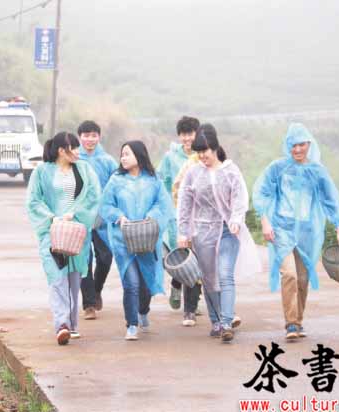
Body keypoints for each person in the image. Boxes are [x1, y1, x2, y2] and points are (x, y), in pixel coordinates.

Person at [252, 123, 339, 340]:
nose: (297, 149)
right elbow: (262, 193)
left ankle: (298, 320)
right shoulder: (278, 168)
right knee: (290, 274)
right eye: (293, 145)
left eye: (301, 145)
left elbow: (330, 200)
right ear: (287, 146)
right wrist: (265, 222)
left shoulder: (317, 172)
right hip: (282, 229)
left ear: (309, 145)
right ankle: (291, 324)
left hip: (307, 232)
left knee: (303, 279)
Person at [177, 124, 260, 343]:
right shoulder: (193, 173)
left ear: (214, 147)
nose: (201, 156)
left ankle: (226, 323)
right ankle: (215, 321)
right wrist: (183, 232)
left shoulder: (230, 171)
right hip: (203, 231)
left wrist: (236, 219)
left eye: (204, 151)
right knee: (209, 278)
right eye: (198, 152)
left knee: (225, 274)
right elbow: (185, 203)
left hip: (227, 230)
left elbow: (240, 197)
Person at [26, 132, 101, 346]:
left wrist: (74, 213)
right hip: (51, 232)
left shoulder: (84, 169)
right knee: (57, 277)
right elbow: (33, 200)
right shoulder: (42, 171)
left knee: (74, 279)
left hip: (76, 230)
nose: (77, 151)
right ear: (61, 150)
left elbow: (93, 196)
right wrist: (52, 218)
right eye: (73, 147)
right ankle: (62, 324)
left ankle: (72, 324)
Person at [100, 140, 174, 340]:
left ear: (139, 156)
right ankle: (131, 324)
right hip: (123, 240)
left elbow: (163, 204)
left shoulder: (153, 180)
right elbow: (105, 205)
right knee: (131, 283)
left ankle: (143, 310)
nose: (123, 158)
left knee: (145, 285)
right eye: (122, 154)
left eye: (127, 154)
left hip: (147, 241)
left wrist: (152, 215)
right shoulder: (116, 180)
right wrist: (119, 216)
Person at [157, 116, 201, 314]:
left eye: (190, 133)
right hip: (176, 214)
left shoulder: (203, 154)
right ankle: (176, 283)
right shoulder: (170, 157)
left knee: (198, 257)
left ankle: (193, 303)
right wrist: (166, 206)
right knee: (179, 255)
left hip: (199, 214)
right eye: (183, 134)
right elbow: (162, 181)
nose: (187, 138)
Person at [76, 120, 118, 320]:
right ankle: (89, 304)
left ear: (99, 137)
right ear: (80, 137)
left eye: (94, 135)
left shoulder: (108, 161)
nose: (90, 139)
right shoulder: (74, 159)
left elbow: (116, 186)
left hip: (103, 219)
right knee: (84, 259)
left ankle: (96, 289)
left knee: (105, 257)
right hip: (80, 217)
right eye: (86, 135)